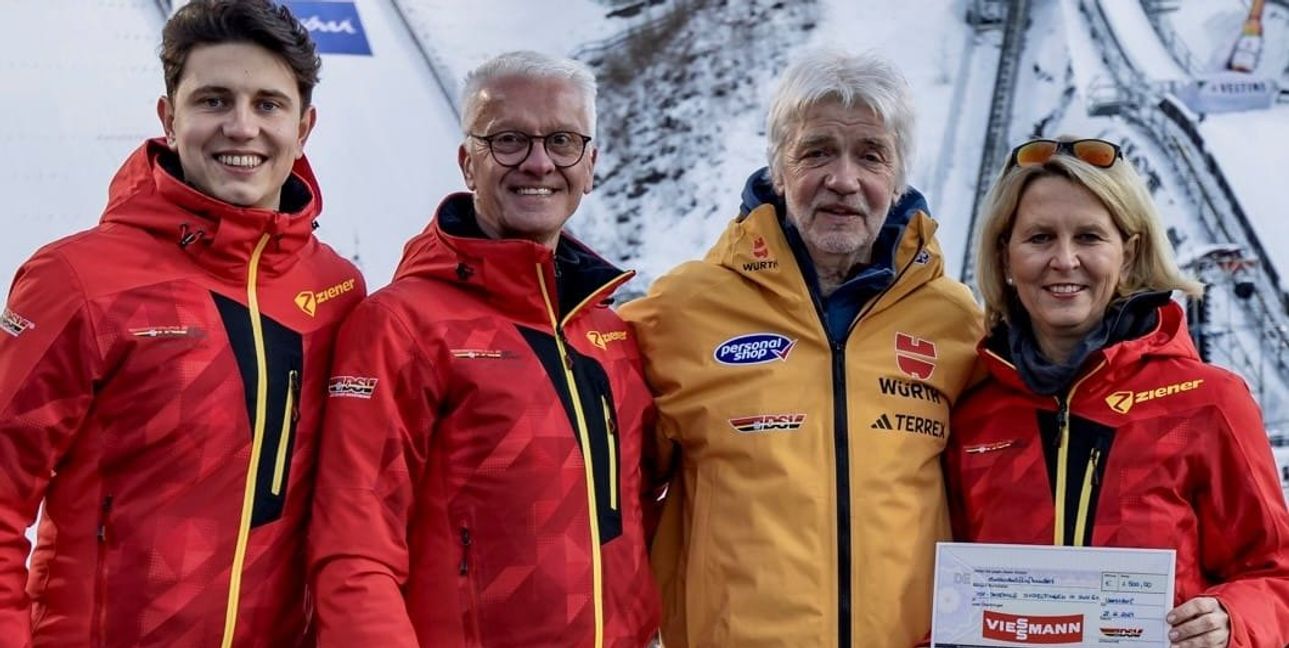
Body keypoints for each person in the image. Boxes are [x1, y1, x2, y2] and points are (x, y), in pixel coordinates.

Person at [0, 1, 364, 646]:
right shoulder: (75, 280)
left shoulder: (337, 289)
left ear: (304, 126)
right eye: (213, 101)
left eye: (268, 104)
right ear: (170, 118)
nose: (242, 127)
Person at [620, 49, 984, 647]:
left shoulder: (954, 320)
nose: (843, 180)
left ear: (897, 179)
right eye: (816, 151)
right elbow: (598, 490)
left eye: (871, 155)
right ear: (779, 168)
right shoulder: (681, 311)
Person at [308, 50, 660, 647]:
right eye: (509, 140)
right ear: (468, 162)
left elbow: (641, 511)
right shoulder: (403, 326)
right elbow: (355, 543)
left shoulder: (608, 332)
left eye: (562, 141)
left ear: (590, 164)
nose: (538, 163)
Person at [945, 136, 1289, 647]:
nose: (1065, 260)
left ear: (1127, 254)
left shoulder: (1206, 401)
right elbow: (942, 590)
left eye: (1089, 237)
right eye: (1039, 238)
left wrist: (1230, 619)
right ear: (1005, 255)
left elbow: (1276, 572)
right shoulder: (974, 414)